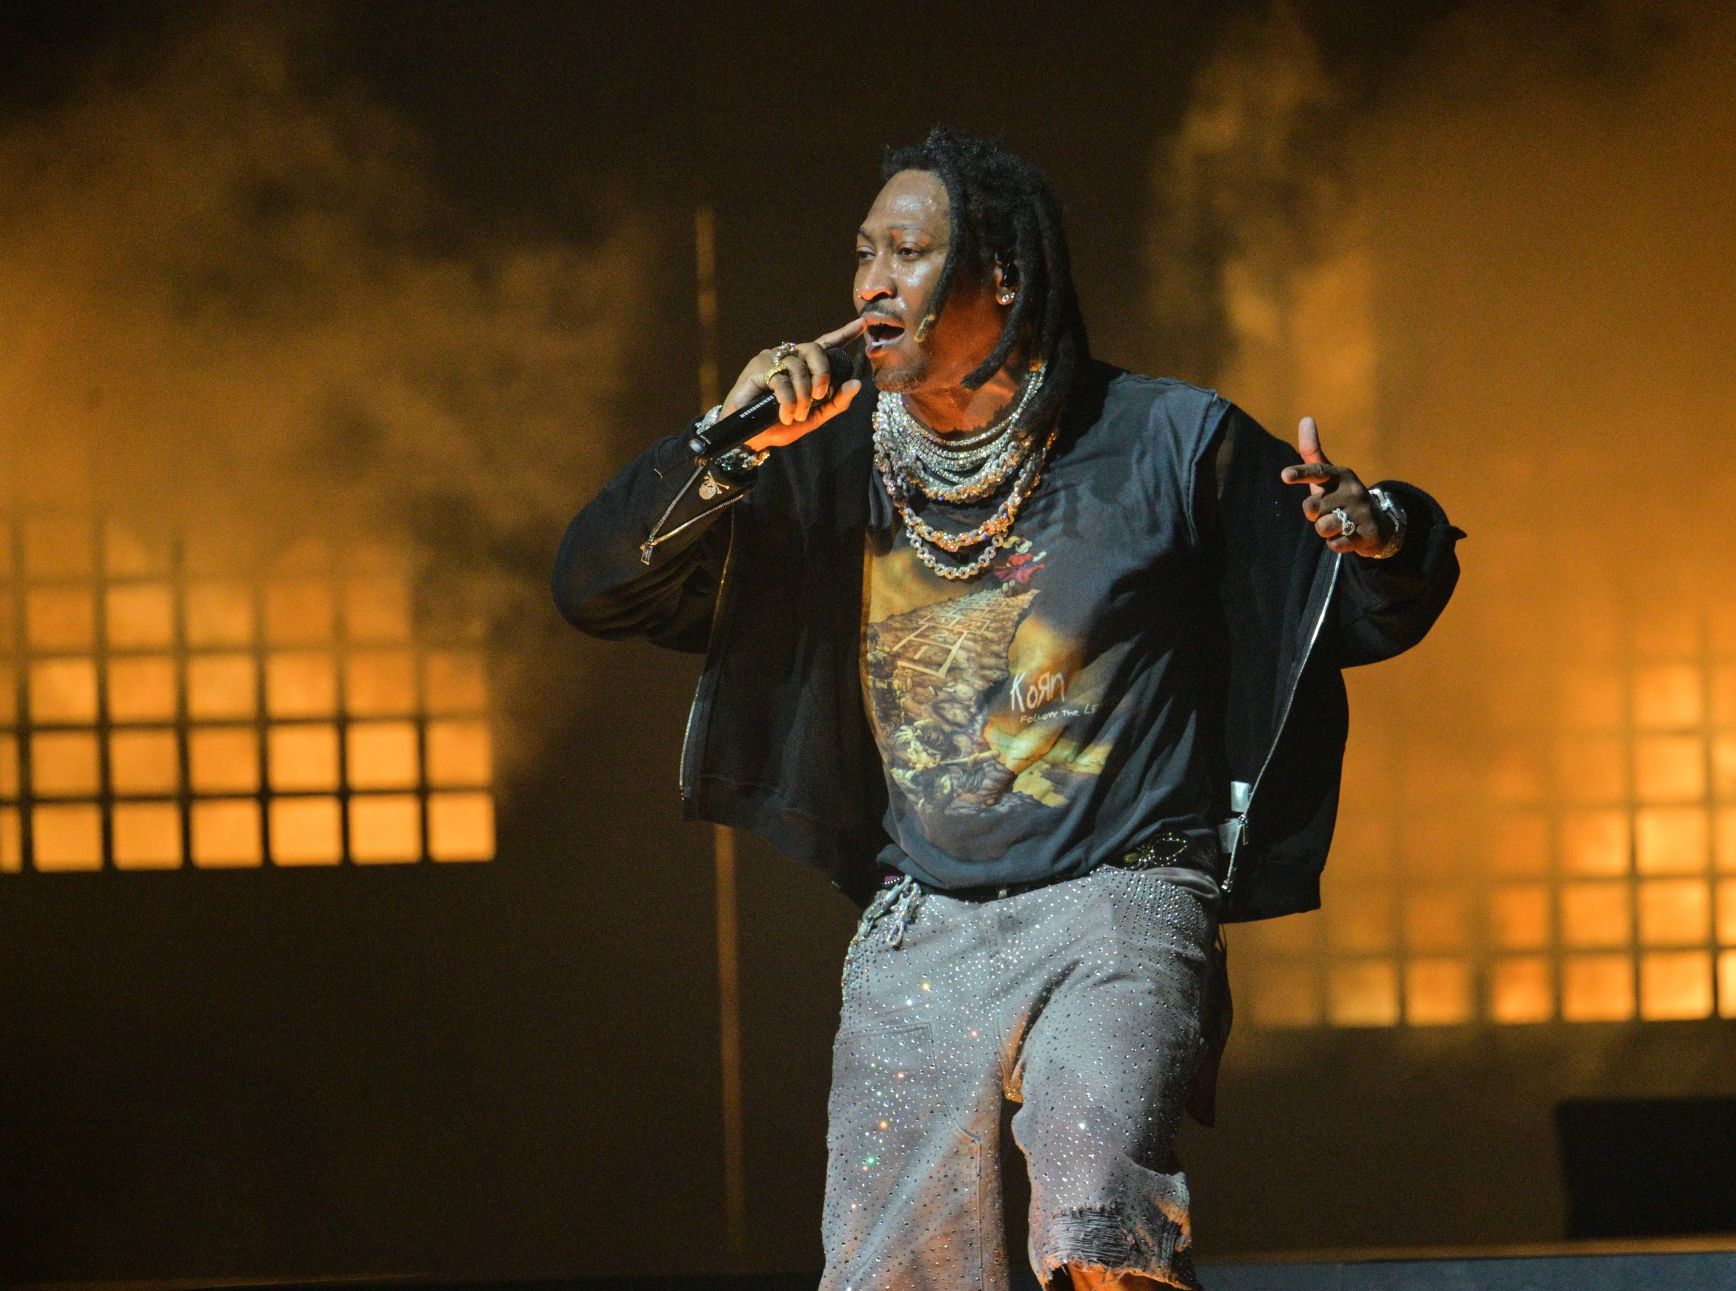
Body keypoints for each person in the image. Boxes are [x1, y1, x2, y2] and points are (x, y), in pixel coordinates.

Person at [552, 126, 1462, 1291]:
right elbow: (595, 584)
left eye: (910, 251)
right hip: (924, 927)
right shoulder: (827, 470)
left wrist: (1378, 526)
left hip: (1122, 899)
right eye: (864, 253)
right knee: (898, 1273)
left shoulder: (1161, 441)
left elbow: (1352, 606)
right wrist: (723, 448)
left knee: (1095, 1214)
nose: (870, 281)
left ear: (1005, 277)